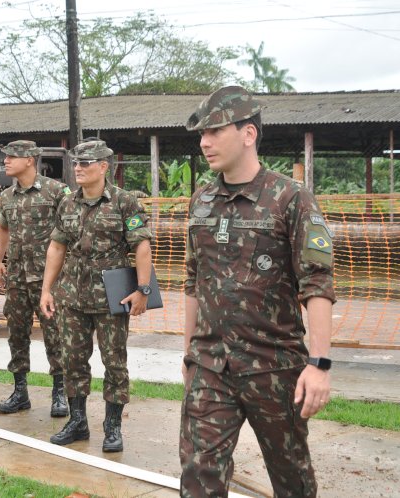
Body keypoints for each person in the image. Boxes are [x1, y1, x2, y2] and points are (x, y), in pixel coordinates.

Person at [180, 86, 335, 497]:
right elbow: (193, 281)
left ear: (248, 134)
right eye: (202, 134)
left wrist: (319, 364)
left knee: (292, 480)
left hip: (275, 369)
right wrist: (189, 355)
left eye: (214, 131)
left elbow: (317, 283)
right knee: (199, 476)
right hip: (211, 366)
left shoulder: (290, 198)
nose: (204, 142)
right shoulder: (202, 200)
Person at [40, 139, 154, 453]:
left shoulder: (124, 202)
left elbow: (141, 246)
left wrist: (143, 290)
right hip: (72, 295)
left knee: (114, 363)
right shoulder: (67, 203)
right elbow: (57, 247)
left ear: (103, 167)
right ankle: (77, 422)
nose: (78, 168)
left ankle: (112, 428)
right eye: (76, 163)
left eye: (85, 163)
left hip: (112, 296)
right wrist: (47, 290)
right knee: (73, 360)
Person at [0, 140, 69, 418]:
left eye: (12, 157)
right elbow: (2, 227)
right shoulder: (7, 196)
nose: (6, 161)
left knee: (55, 334)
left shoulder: (57, 191)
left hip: (48, 279)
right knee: (17, 333)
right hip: (17, 277)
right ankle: (20, 392)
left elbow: (69, 231)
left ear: (30, 160)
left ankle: (60, 393)